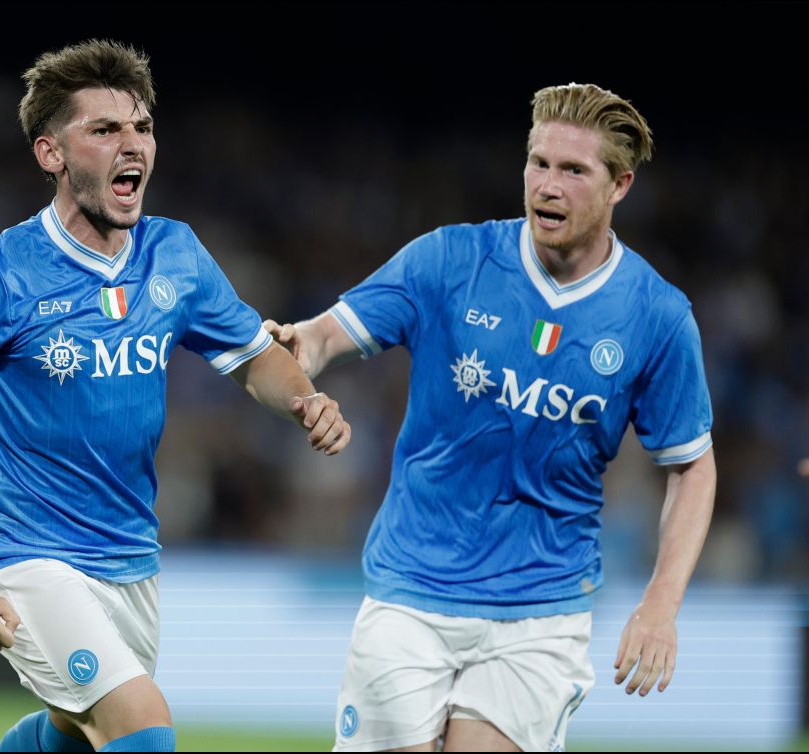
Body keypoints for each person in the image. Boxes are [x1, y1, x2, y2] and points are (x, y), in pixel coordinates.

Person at [0, 39, 351, 754]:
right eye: (104, 129)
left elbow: (256, 357)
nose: (132, 144)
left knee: (75, 735)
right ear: (50, 154)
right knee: (142, 725)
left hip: (130, 555)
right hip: (24, 553)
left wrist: (304, 400)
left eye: (142, 127)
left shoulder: (176, 255)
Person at [264, 83, 716, 752]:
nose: (548, 185)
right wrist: (299, 345)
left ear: (619, 185)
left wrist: (661, 603)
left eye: (573, 170)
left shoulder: (657, 316)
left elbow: (692, 466)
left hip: (540, 611)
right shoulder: (449, 260)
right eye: (539, 163)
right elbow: (330, 333)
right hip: (412, 588)